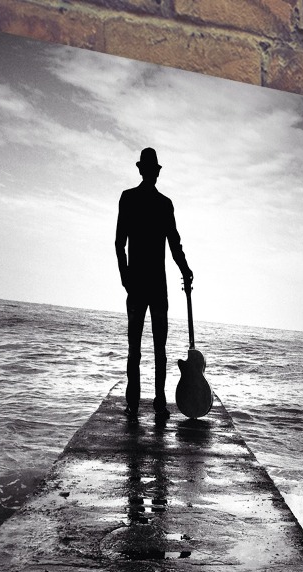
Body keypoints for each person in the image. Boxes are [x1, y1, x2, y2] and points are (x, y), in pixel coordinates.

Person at [115, 147, 193, 418]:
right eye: (152, 170)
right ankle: (152, 402)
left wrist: (184, 268)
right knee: (152, 347)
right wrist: (184, 268)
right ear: (147, 171)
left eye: (153, 171)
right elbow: (121, 243)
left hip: (141, 285)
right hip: (150, 286)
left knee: (141, 347)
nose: (152, 175)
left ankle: (139, 403)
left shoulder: (143, 201)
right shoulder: (156, 203)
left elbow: (172, 244)